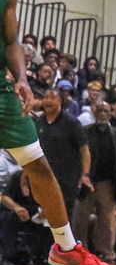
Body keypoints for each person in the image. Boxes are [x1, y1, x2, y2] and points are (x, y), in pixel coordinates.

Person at [0, 0, 114, 265]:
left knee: (38, 168)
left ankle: (66, 249)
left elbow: (10, 42)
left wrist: (22, 78)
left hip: (2, 92)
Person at [73, 100, 116, 265]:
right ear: (94, 112)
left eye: (106, 111)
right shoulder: (84, 132)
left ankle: (107, 254)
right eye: (100, 110)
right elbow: (76, 157)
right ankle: (80, 252)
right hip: (87, 182)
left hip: (108, 183)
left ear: (111, 113)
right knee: (80, 219)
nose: (103, 114)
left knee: (107, 221)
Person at [35, 87, 90, 219]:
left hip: (66, 178)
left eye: (52, 98)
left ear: (60, 101)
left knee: (63, 216)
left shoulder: (72, 123)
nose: (48, 101)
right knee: (42, 215)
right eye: (46, 98)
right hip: (44, 176)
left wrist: (85, 174)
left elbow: (85, 150)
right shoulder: (39, 122)